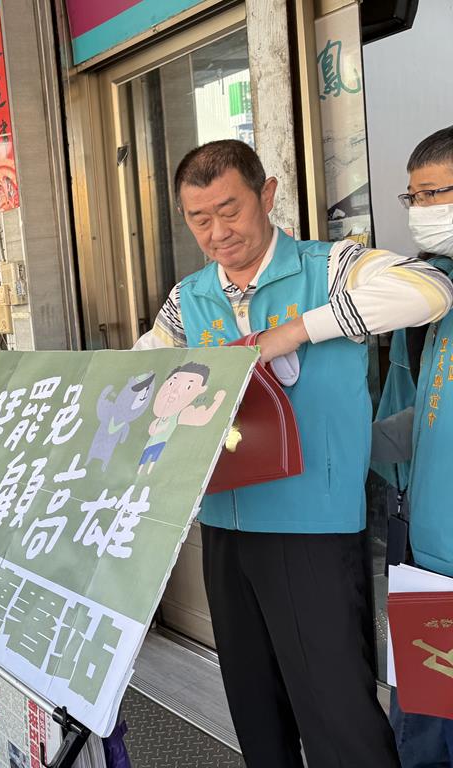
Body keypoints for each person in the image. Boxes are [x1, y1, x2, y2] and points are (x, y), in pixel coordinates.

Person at [134, 140, 453, 767]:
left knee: (337, 712)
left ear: (268, 195)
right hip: (224, 526)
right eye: (200, 219)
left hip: (314, 528)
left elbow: (427, 290)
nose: (218, 232)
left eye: (231, 210)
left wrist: (295, 330)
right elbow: (148, 368)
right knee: (256, 709)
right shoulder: (188, 297)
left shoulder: (329, 266)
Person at [372, 125, 453, 766]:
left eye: (435, 195)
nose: (422, 212)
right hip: (426, 562)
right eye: (414, 197)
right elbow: (404, 425)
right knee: (424, 732)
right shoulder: (419, 297)